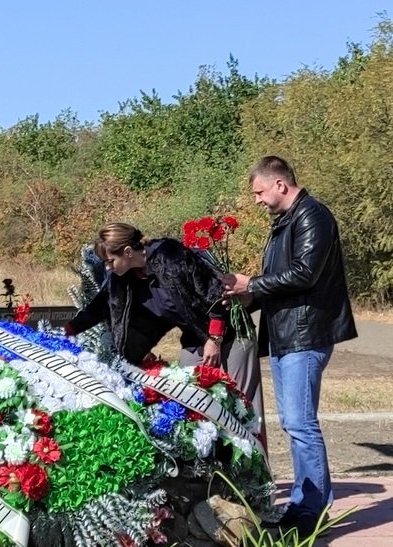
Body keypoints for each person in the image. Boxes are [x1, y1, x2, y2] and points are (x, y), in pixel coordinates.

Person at [222, 155, 357, 537]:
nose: (257, 200)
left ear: (280, 184)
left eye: (259, 192)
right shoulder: (284, 222)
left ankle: (312, 512)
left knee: (300, 423)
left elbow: (304, 273)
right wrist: (250, 299)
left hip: (306, 334)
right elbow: (283, 279)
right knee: (293, 423)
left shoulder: (313, 216)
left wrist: (253, 286)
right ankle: (302, 503)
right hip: (285, 335)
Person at [64, 222, 266, 440]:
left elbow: (215, 293)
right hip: (195, 337)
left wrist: (214, 339)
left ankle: (256, 463)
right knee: (191, 400)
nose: (107, 268)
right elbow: (100, 306)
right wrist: (68, 330)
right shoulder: (123, 279)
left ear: (128, 252)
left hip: (230, 331)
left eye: (110, 261)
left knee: (242, 406)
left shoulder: (170, 256)